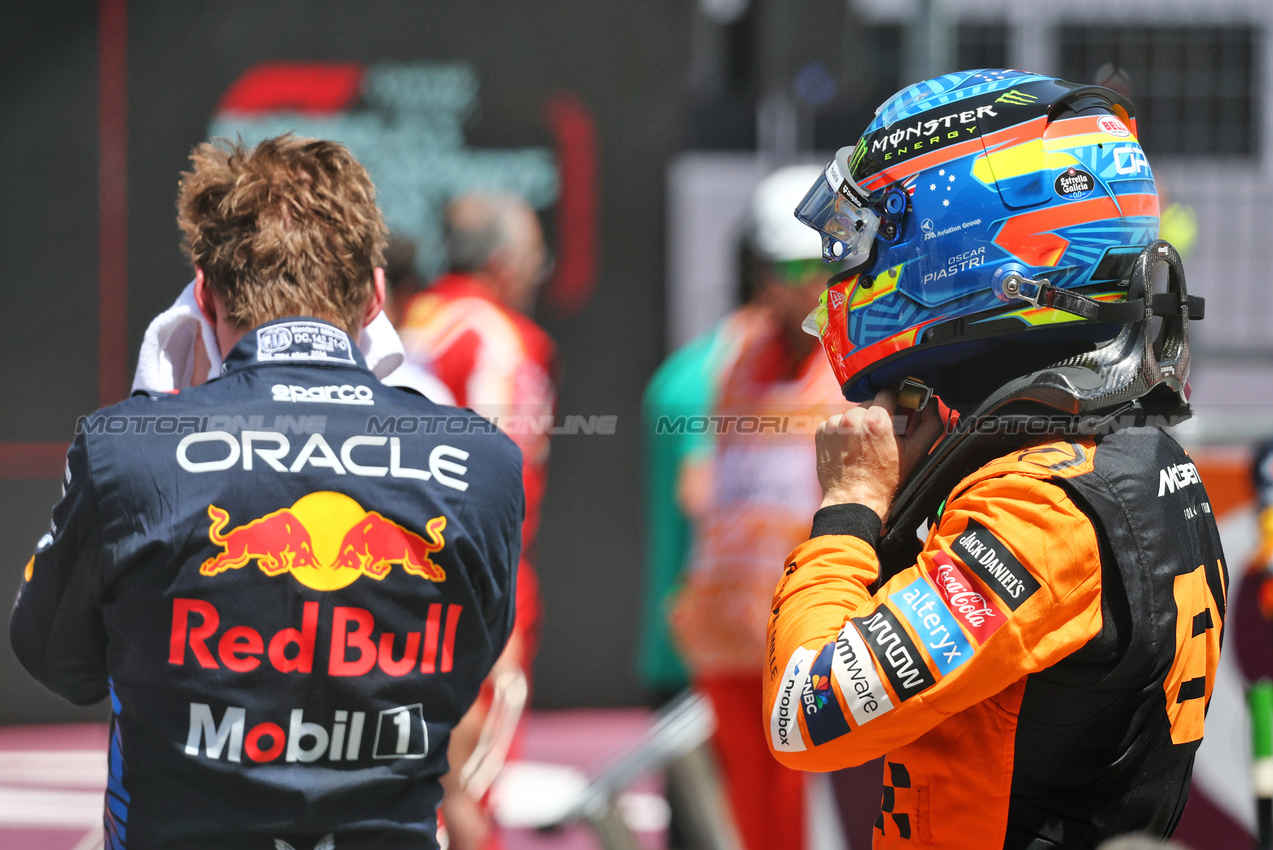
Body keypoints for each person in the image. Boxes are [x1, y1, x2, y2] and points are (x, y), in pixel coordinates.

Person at [9, 135, 523, 850]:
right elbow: (467, 666)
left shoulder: (126, 450)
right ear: (377, 296)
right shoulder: (485, 462)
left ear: (204, 294)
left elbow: (55, 658)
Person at [763, 69, 1226, 848]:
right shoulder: (1116, 453)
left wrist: (847, 512)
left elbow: (804, 713)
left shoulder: (1042, 506)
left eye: (868, 233)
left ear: (958, 248)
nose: (842, 268)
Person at [665, 165, 852, 850]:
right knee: (751, 815)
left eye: (799, 265)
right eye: (771, 266)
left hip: (812, 628)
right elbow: (713, 473)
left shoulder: (855, 363)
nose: (782, 284)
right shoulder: (737, 351)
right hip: (727, 629)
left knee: (809, 807)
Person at [397, 192, 556, 850]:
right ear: (503, 263)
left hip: (389, 574)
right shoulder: (504, 339)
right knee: (470, 790)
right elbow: (501, 471)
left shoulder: (412, 322)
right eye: (534, 262)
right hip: (477, 580)